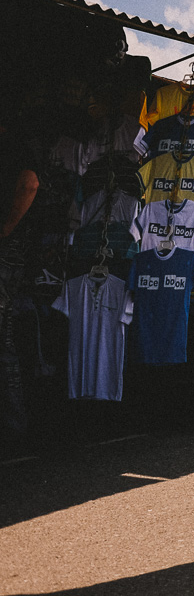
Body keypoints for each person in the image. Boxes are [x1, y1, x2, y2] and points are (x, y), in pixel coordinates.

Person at [0, 122, 39, 440]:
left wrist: (6, 229)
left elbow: (29, 184)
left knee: (3, 338)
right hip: (11, 250)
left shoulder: (13, 146)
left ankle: (14, 425)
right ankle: (13, 423)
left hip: (7, 251)